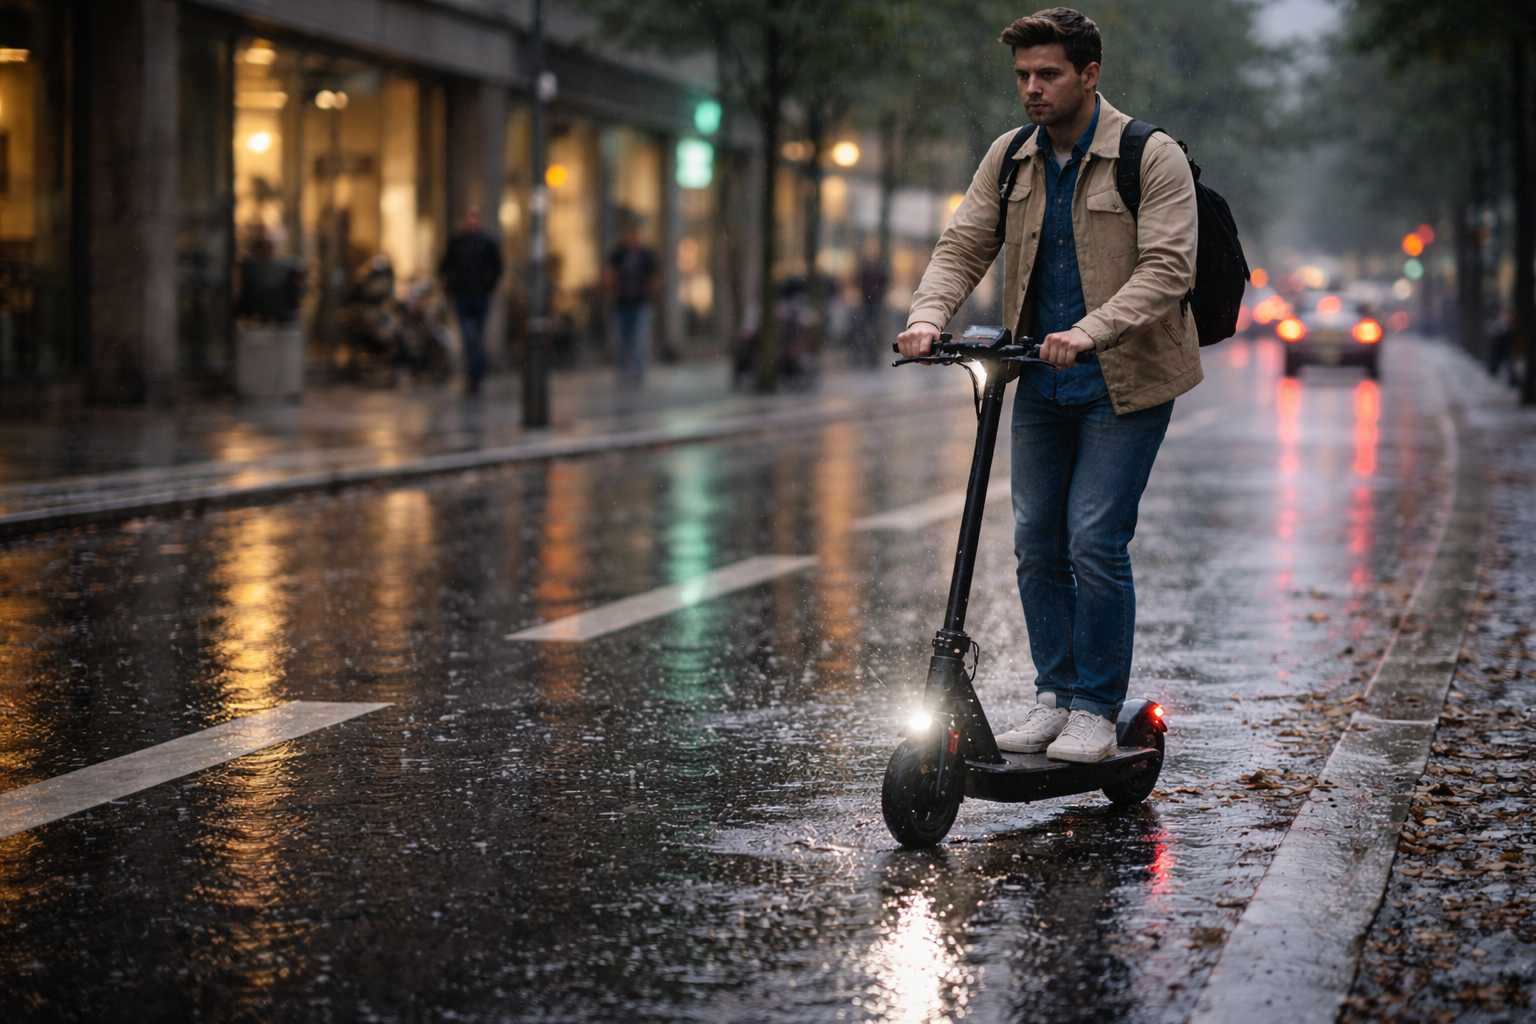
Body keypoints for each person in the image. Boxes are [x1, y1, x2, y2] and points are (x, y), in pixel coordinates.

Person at [896, 8, 1200, 764]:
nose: (1031, 89)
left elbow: (1169, 267)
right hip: (1038, 379)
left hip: (1124, 380)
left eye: (1048, 75)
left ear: (1089, 75)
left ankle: (1097, 707)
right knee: (1034, 542)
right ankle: (1054, 697)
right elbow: (964, 242)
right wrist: (928, 317)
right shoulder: (1011, 158)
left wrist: (1091, 331)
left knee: (1093, 538)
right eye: (1023, 76)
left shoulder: (1148, 155)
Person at [439, 208, 503, 394]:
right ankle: (473, 375)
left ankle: (476, 375)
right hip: (462, 296)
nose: (472, 223)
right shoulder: (457, 242)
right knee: (469, 337)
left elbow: (498, 267)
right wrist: (451, 285)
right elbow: (444, 266)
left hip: (481, 296)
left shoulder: (487, 242)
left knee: (477, 336)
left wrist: (489, 286)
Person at [603, 221, 659, 382]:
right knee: (622, 340)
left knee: (640, 340)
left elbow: (655, 278)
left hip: (640, 304)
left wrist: (651, 292)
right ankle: (623, 372)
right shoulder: (618, 254)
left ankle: (638, 372)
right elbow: (608, 276)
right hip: (621, 304)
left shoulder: (645, 255)